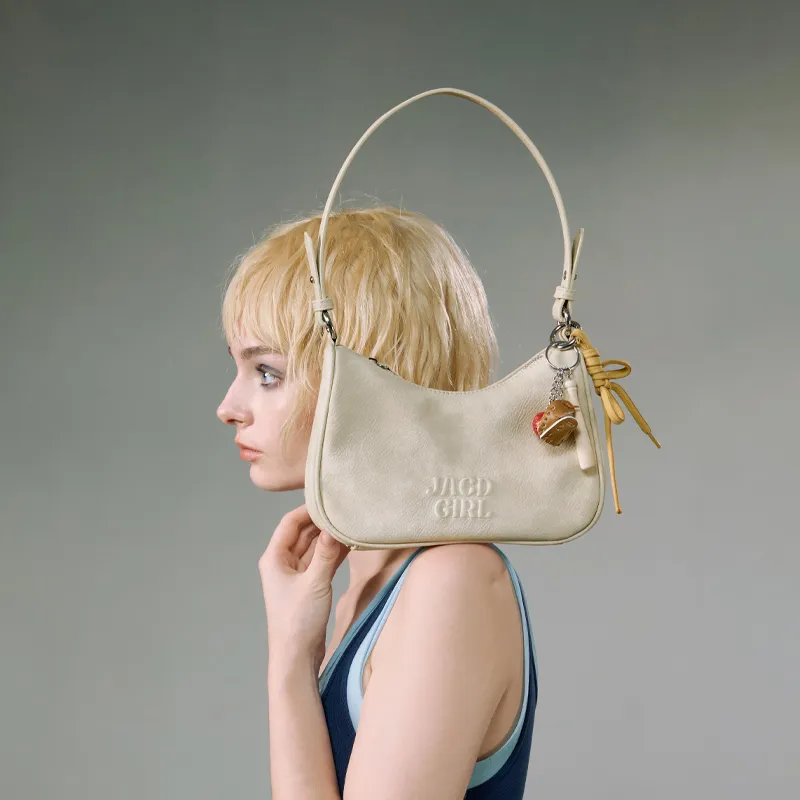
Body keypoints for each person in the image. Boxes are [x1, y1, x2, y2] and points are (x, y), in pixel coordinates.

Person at [216, 206, 538, 798]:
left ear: (371, 382)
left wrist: (290, 667)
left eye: (266, 372)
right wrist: (290, 653)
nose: (229, 407)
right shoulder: (363, 589)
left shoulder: (453, 582)